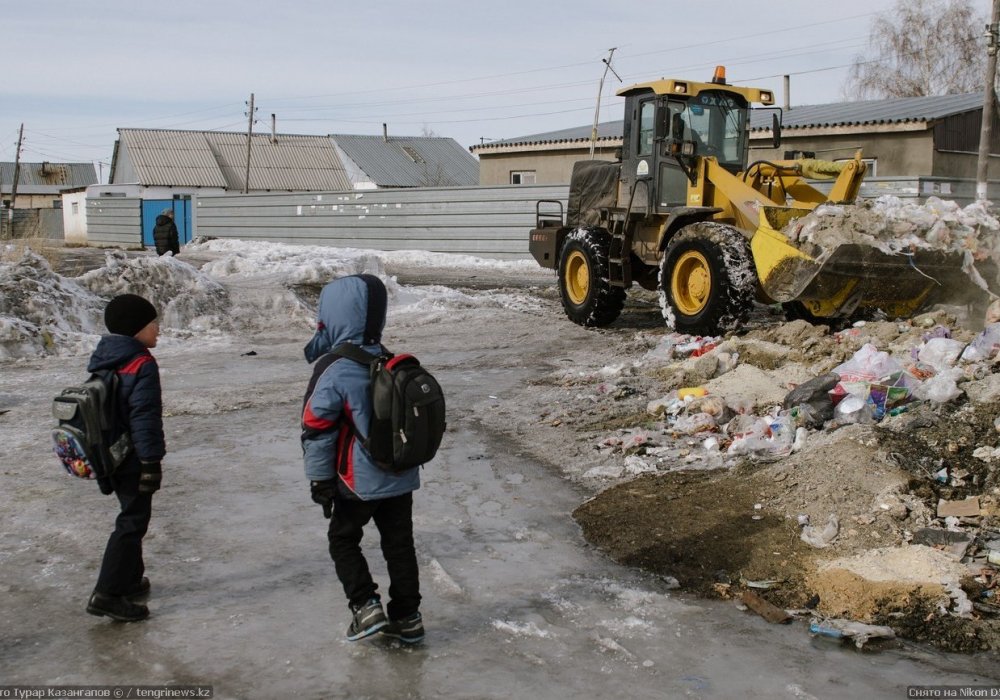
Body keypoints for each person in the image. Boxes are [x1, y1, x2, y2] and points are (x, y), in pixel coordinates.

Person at [301, 274, 424, 644]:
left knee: (343, 540)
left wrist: (321, 480)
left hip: (357, 482)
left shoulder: (335, 368)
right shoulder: (392, 362)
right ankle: (408, 616)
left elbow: (317, 426)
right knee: (399, 545)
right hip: (400, 476)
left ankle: (365, 606)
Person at [85, 294, 165, 622]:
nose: (158, 329)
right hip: (132, 456)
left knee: (130, 513)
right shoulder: (141, 362)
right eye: (152, 324)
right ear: (136, 330)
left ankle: (130, 580)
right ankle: (108, 593)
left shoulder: (105, 356)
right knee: (132, 522)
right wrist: (151, 462)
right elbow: (144, 417)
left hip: (109, 452)